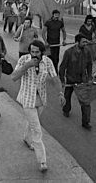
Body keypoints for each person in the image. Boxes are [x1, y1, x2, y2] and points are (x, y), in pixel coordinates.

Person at [11, 40, 66, 173]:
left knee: (33, 122)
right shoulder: (24, 59)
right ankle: (42, 161)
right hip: (27, 99)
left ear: (42, 52)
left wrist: (60, 93)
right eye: (32, 52)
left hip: (40, 99)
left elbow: (55, 78)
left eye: (37, 52)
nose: (34, 54)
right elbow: (14, 77)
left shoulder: (47, 61)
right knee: (37, 129)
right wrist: (27, 66)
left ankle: (26, 138)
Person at [59, 34, 94, 130]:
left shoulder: (87, 51)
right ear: (77, 42)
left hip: (82, 80)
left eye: (86, 42)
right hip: (70, 79)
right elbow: (62, 67)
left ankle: (86, 122)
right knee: (67, 96)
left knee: (85, 102)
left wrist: (90, 77)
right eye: (83, 42)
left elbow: (90, 65)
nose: (85, 44)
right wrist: (62, 80)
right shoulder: (68, 52)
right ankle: (66, 110)